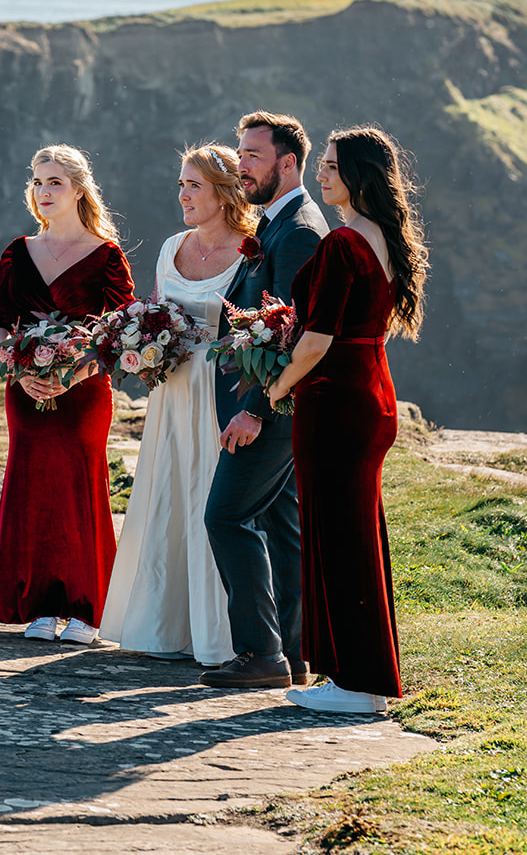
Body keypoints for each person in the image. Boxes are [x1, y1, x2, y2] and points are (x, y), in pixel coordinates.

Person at [266, 125, 429, 713]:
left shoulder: (343, 243)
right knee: (356, 535)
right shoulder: (384, 236)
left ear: (360, 176)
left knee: (337, 538)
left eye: (333, 166)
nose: (322, 173)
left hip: (335, 400)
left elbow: (316, 341)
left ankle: (357, 683)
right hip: (371, 392)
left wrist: (276, 385)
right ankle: (357, 676)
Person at [100, 144, 258, 665]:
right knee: (168, 495)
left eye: (194, 186)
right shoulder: (171, 247)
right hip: (171, 392)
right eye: (181, 185)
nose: (183, 195)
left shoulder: (252, 251)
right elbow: (155, 311)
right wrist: (140, 345)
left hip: (219, 392)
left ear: (224, 193)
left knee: (211, 499)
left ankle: (218, 634)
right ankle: (163, 625)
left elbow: (256, 328)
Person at [198, 111, 330, 690]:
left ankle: (260, 654)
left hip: (270, 411)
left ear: (288, 163)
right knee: (282, 526)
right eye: (241, 153)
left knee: (226, 516)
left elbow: (292, 332)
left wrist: (254, 408)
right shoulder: (275, 224)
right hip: (270, 408)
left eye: (253, 155)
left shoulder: (298, 230)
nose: (241, 165)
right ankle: (295, 654)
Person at [0, 145, 135, 645]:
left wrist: (72, 377)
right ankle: (41, 607)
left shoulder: (107, 255)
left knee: (80, 487)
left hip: (83, 392)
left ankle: (88, 610)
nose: (44, 191)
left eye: (55, 182)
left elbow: (121, 333)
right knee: (32, 488)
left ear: (78, 190)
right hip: (25, 390)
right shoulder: (17, 251)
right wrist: (19, 369)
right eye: (37, 182)